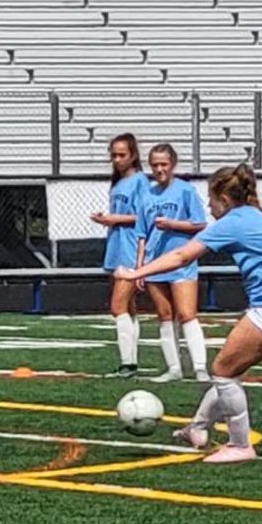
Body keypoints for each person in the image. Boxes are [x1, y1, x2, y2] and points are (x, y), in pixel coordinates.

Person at [114, 164, 262, 464]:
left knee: (223, 371)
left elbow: (182, 255)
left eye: (211, 198)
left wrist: (136, 272)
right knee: (229, 369)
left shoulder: (232, 222)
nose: (208, 205)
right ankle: (198, 427)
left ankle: (240, 444)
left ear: (225, 198)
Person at [134, 143, 210, 383]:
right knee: (165, 315)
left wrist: (172, 225)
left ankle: (200, 368)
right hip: (154, 263)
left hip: (181, 261)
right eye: (155, 165)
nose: (159, 169)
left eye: (163, 164)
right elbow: (141, 234)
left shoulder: (185, 191)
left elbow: (199, 223)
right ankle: (173, 368)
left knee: (187, 314)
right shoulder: (146, 194)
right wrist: (140, 268)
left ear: (173, 164)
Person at [92, 133, 147, 378]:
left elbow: (143, 217)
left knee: (118, 306)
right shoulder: (118, 183)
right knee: (129, 308)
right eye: (113, 155)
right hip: (116, 246)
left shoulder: (140, 181)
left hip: (130, 247)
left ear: (133, 155)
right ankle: (130, 361)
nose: (116, 160)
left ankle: (128, 364)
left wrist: (113, 219)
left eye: (121, 155)